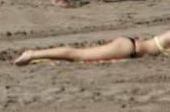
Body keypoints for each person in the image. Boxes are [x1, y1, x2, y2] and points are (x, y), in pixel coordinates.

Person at [14, 29, 170, 66]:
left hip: (131, 48)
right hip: (129, 49)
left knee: (80, 58)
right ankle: (33, 54)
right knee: (78, 55)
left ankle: (38, 57)